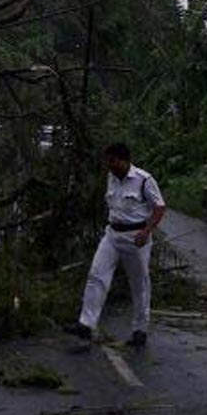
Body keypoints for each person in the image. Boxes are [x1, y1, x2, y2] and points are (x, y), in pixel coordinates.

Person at [65, 143, 166, 348]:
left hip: (135, 237)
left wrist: (147, 231)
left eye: (112, 161)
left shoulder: (143, 180)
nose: (109, 166)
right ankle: (86, 324)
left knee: (139, 284)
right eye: (107, 161)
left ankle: (140, 330)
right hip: (112, 234)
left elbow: (159, 207)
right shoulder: (111, 177)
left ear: (124, 160)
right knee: (96, 275)